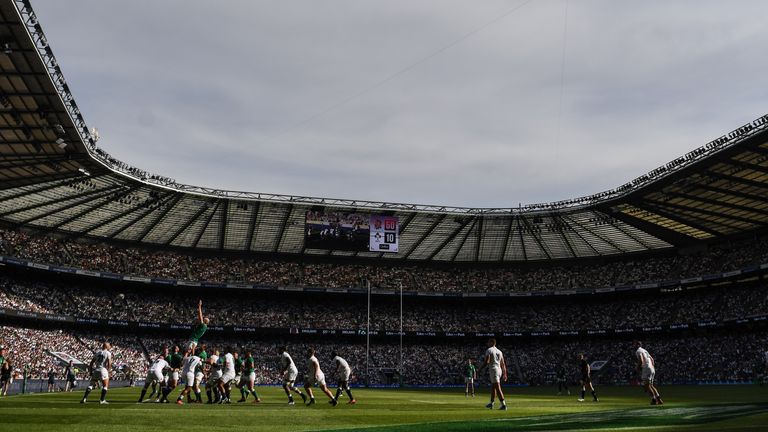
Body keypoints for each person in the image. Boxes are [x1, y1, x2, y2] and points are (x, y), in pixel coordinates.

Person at [635, 341, 662, 405]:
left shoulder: (638, 351)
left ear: (638, 345)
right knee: (651, 385)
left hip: (646, 368)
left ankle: (654, 400)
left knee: (646, 386)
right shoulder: (645, 350)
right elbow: (652, 359)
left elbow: (641, 360)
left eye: (635, 344)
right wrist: (652, 367)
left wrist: (638, 368)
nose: (634, 346)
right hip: (652, 368)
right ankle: (659, 399)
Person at [483, 338, 507, 410]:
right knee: (494, 387)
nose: (488, 344)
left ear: (492, 343)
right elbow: (503, 364)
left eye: (488, 342)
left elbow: (487, 362)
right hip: (499, 370)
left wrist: (480, 369)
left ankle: (503, 405)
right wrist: (505, 374)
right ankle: (491, 403)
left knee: (497, 387)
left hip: (494, 370)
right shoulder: (500, 351)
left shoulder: (489, 350)